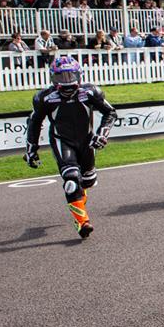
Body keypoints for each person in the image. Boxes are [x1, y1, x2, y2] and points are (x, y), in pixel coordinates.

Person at [24, 56, 117, 238]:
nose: (67, 82)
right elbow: (34, 123)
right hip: (62, 141)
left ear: (79, 75)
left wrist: (102, 135)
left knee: (88, 181)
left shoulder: (91, 92)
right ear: (53, 78)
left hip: (86, 141)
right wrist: (31, 149)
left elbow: (110, 112)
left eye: (70, 76)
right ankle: (82, 222)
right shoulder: (44, 98)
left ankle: (78, 202)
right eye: (61, 77)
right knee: (71, 179)